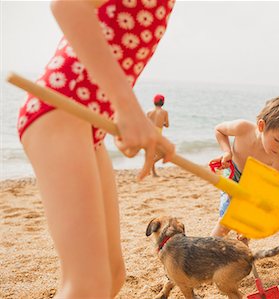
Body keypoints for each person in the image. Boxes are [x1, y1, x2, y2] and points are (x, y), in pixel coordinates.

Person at [16, 0, 175, 297]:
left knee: (112, 276)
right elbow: (66, 4)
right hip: (61, 108)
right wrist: (125, 106)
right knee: (87, 283)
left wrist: (124, 118)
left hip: (91, 122)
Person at [210, 97, 279, 274]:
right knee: (227, 222)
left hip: (259, 183)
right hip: (233, 175)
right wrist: (227, 151)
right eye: (278, 140)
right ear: (262, 126)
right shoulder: (242, 128)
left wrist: (249, 220)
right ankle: (203, 257)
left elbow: (264, 186)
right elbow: (219, 130)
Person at [146, 93, 170, 177]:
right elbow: (167, 125)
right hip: (157, 135)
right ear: (163, 102)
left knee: (152, 154)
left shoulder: (149, 112)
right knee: (162, 154)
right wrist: (162, 123)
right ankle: (150, 167)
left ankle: (152, 172)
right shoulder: (164, 112)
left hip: (148, 134)